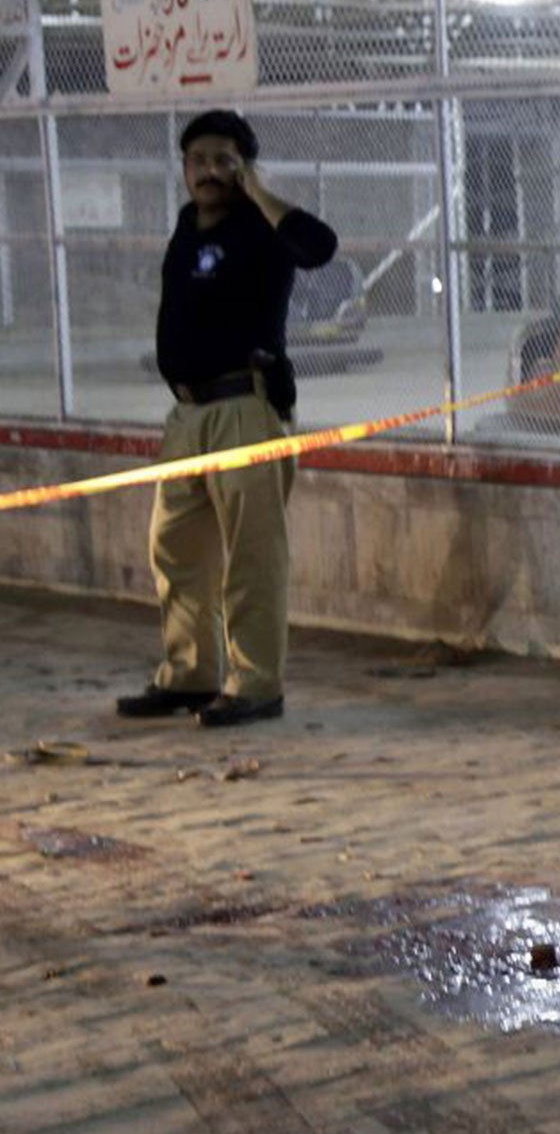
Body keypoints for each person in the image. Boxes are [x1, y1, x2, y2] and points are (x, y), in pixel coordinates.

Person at [116, 110, 338, 728]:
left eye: (223, 160)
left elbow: (319, 247)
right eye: (198, 161)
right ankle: (189, 675)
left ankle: (256, 685)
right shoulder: (187, 226)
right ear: (184, 169)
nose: (209, 171)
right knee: (175, 548)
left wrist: (260, 191)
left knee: (251, 555)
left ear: (244, 167)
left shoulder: (263, 227)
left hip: (245, 408)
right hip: (188, 416)